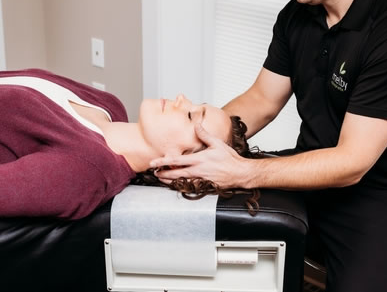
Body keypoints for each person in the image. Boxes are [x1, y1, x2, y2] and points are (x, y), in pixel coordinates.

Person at [150, 0, 387, 292]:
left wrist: (243, 171)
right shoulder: (298, 15)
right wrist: (199, 142)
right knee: (195, 216)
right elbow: (261, 100)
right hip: (308, 168)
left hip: (385, 196)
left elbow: (352, 162)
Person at [0, 68, 250, 220]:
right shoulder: (108, 105)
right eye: (196, 105)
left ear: (180, 162)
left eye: (190, 116)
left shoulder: (83, 171)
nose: (181, 99)